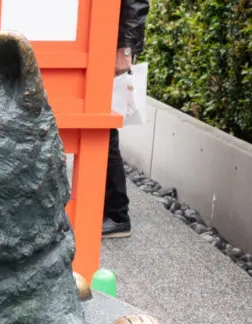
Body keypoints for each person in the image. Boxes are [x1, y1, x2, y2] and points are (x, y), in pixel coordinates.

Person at [103, 0, 149, 239]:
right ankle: (110, 211)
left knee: (103, 125)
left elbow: (136, 2)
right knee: (102, 124)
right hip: (101, 36)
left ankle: (117, 215)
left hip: (109, 42)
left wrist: (126, 48)